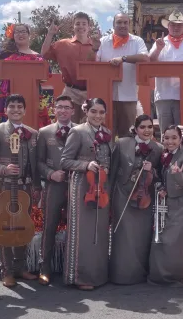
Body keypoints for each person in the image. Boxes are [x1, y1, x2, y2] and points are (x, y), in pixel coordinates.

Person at [0, 94, 40, 288]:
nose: (16, 110)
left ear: (25, 110)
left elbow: (36, 164)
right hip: (6, 185)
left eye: (19, 106)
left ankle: (21, 268)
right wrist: (2, 169)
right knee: (5, 226)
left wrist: (37, 187)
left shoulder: (32, 133)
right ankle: (6, 271)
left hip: (26, 186)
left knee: (23, 225)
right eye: (12, 106)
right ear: (5, 110)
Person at [60, 97, 113, 290]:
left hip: (102, 185)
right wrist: (85, 165)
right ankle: (80, 276)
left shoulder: (107, 133)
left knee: (99, 230)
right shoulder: (78, 131)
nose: (97, 116)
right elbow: (65, 161)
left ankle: (98, 275)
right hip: (83, 184)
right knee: (82, 230)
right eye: (94, 111)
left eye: (101, 112)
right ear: (86, 112)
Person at [109, 114, 163, 285]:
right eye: (143, 127)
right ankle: (120, 274)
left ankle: (139, 274)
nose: (147, 130)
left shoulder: (158, 148)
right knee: (123, 235)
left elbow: (160, 176)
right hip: (122, 193)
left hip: (143, 197)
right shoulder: (122, 143)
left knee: (141, 235)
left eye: (150, 127)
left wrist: (152, 171)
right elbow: (112, 171)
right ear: (135, 128)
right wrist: (108, 196)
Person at [148, 125, 183, 286]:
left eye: (174, 138)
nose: (170, 141)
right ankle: (164, 275)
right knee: (166, 240)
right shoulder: (166, 155)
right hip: (171, 201)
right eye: (167, 138)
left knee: (179, 242)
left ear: (180, 139)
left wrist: (178, 177)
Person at [35, 95, 76, 285]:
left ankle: (73, 267)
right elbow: (38, 162)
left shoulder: (81, 131)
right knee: (49, 225)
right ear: (54, 109)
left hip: (77, 185)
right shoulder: (44, 132)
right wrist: (51, 174)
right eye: (59, 107)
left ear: (73, 110)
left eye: (67, 107)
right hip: (54, 185)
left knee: (76, 227)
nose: (63, 111)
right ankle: (45, 267)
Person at [41, 12, 102, 124]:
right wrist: (50, 34)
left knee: (88, 128)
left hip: (90, 92)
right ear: (73, 27)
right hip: (70, 91)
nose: (81, 26)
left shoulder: (97, 45)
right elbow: (44, 54)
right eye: (77, 24)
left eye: (84, 24)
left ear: (89, 27)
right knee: (66, 125)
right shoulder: (62, 44)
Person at [0, 23, 51, 127]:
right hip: (7, 95)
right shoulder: (5, 54)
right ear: (13, 35)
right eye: (17, 32)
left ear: (29, 35)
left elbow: (44, 78)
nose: (20, 34)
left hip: (32, 97)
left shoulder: (38, 58)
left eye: (23, 31)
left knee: (33, 126)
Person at [97, 13, 150, 138]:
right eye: (119, 22)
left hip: (128, 96)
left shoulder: (137, 41)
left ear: (129, 24)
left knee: (127, 137)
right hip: (106, 97)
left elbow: (145, 57)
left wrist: (123, 58)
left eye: (125, 23)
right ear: (113, 24)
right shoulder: (103, 42)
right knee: (104, 135)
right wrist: (93, 48)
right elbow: (92, 61)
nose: (122, 25)